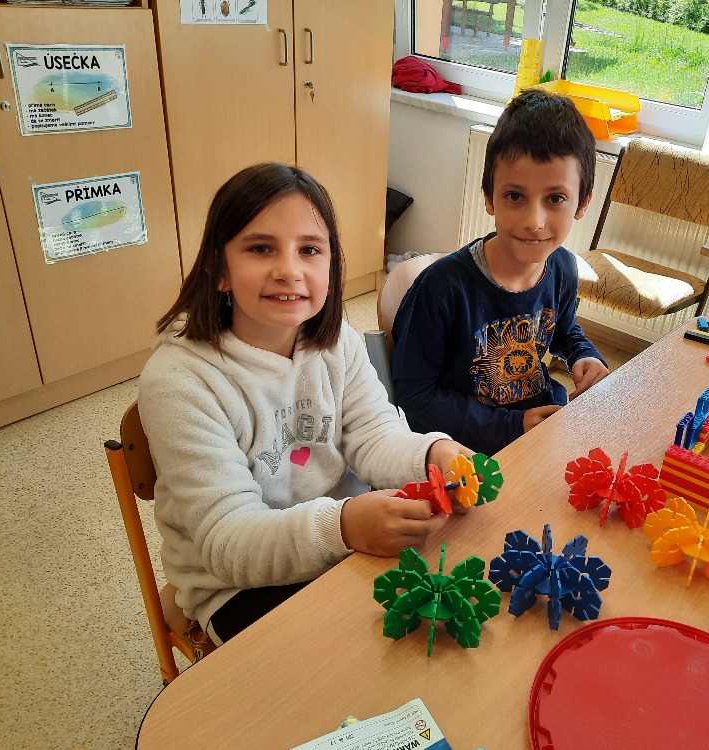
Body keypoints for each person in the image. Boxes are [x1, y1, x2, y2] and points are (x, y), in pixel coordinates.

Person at [138, 163, 469, 646]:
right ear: (218, 269)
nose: (289, 270)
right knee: (344, 666)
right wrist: (344, 527)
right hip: (236, 584)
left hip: (343, 535)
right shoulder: (179, 381)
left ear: (331, 267)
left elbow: (374, 435)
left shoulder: (337, 342)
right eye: (260, 248)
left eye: (310, 250)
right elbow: (228, 543)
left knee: (428, 625)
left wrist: (430, 455)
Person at [390, 88, 610, 456]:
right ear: (489, 197)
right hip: (464, 451)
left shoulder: (563, 267)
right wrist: (511, 426)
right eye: (515, 196)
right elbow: (413, 396)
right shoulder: (441, 288)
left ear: (582, 203)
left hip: (540, 426)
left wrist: (583, 354)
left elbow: (563, 328)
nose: (534, 221)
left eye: (555, 198)